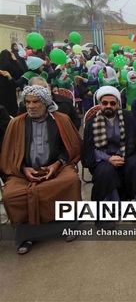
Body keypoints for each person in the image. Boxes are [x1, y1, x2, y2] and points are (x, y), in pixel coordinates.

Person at [0, 85, 81, 254]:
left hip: (56, 168)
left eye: (35, 101)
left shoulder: (61, 119)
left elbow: (70, 147)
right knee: (11, 195)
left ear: (45, 102)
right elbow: (11, 153)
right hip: (24, 172)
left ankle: (68, 227)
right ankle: (27, 235)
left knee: (70, 181)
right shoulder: (16, 123)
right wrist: (24, 169)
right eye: (27, 102)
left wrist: (57, 164)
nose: (31, 106)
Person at [82, 86, 136, 220]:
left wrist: (120, 155)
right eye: (104, 103)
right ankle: (112, 208)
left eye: (112, 103)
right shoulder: (92, 122)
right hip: (103, 158)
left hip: (125, 152)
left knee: (135, 164)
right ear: (100, 104)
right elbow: (90, 148)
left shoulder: (127, 116)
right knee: (105, 171)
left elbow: (132, 139)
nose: (108, 106)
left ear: (118, 103)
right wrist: (108, 158)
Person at [0, 49, 24, 116]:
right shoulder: (12, 66)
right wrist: (15, 60)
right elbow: (21, 72)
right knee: (12, 109)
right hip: (10, 90)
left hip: (1, 92)